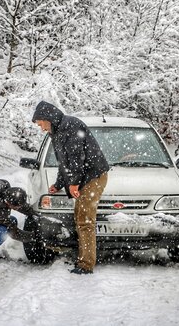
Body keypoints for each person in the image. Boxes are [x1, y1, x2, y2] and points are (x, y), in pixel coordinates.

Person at [31, 101, 109, 274]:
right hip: (84, 176)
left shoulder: (70, 126)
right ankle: (83, 259)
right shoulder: (57, 131)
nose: (41, 128)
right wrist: (59, 184)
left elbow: (76, 157)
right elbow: (63, 162)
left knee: (85, 220)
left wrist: (73, 183)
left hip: (93, 177)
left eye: (40, 124)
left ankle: (86, 265)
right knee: (81, 218)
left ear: (47, 118)